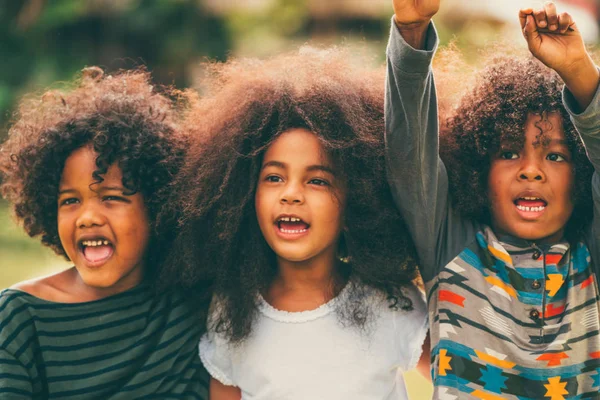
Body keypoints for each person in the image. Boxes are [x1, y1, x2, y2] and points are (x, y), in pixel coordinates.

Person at [160, 48, 429, 399]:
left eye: (317, 180)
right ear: (243, 196)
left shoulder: (393, 303)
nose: (291, 194)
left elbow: (462, 383)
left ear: (358, 201)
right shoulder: (231, 311)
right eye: (274, 178)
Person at [386, 0, 600, 397]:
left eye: (554, 155)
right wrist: (411, 32)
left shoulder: (590, 257)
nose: (531, 170)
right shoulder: (451, 245)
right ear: (477, 171)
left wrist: (579, 73)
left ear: (582, 175)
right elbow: (408, 152)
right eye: (508, 152)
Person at [0, 67, 209, 399]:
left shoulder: (188, 301)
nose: (87, 217)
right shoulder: (20, 320)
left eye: (112, 197)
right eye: (70, 200)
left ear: (157, 205)